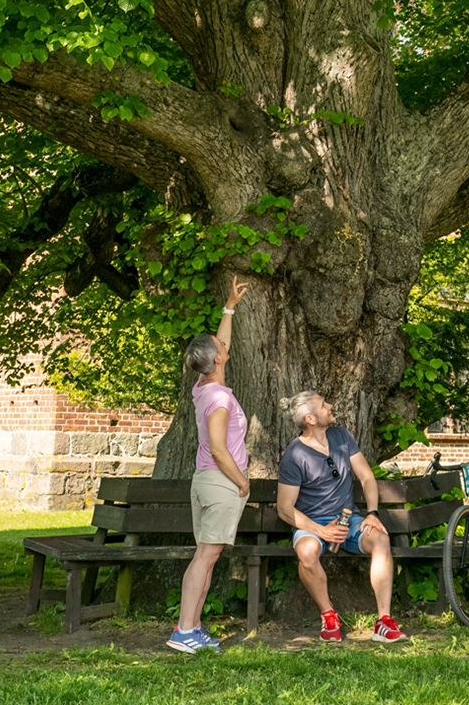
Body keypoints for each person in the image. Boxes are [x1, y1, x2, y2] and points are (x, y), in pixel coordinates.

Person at [276, 391, 406, 643]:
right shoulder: (295, 455)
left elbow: (367, 477)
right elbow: (284, 509)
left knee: (380, 539)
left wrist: (371, 513)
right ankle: (328, 615)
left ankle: (384, 622)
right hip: (312, 524)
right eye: (324, 405)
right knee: (306, 552)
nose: (331, 406)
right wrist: (322, 531)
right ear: (311, 419)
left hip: (349, 521)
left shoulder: (342, 437)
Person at [166, 276, 251, 654]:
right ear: (216, 360)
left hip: (207, 483)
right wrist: (242, 482)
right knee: (205, 556)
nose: (224, 346)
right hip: (220, 482)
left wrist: (229, 307)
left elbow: (222, 344)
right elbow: (219, 449)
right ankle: (184, 630)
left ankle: (193, 627)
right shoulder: (217, 398)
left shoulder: (204, 386)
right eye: (220, 347)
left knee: (207, 555)